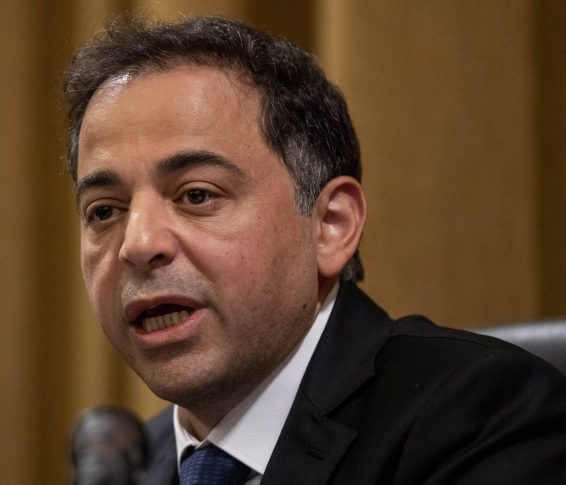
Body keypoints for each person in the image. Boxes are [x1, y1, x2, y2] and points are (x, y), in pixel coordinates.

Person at [62, 15, 566, 484]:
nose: (138, 244)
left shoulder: (482, 416)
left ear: (330, 226)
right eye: (104, 211)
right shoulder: (130, 468)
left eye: (197, 195)